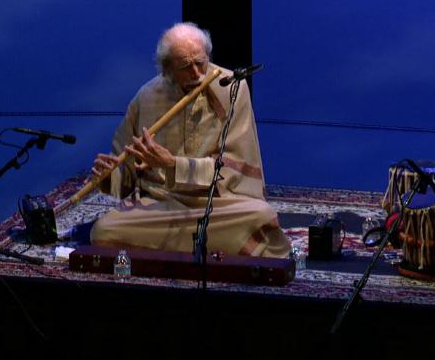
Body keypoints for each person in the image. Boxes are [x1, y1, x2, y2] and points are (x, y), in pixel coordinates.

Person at [89, 22, 291, 258]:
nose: (197, 73)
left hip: (217, 204)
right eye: (186, 66)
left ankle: (169, 248)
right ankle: (207, 247)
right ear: (167, 70)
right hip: (163, 205)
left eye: (200, 62)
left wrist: (173, 165)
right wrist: (108, 176)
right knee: (104, 230)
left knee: (261, 216)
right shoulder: (146, 98)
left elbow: (232, 169)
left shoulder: (232, 87)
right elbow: (126, 178)